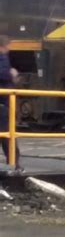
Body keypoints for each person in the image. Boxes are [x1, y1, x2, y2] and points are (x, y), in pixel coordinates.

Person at [0, 35, 21, 171]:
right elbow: (2, 72)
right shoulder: (2, 57)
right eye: (9, 46)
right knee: (7, 133)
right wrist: (11, 73)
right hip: (3, 102)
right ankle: (14, 164)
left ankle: (14, 162)